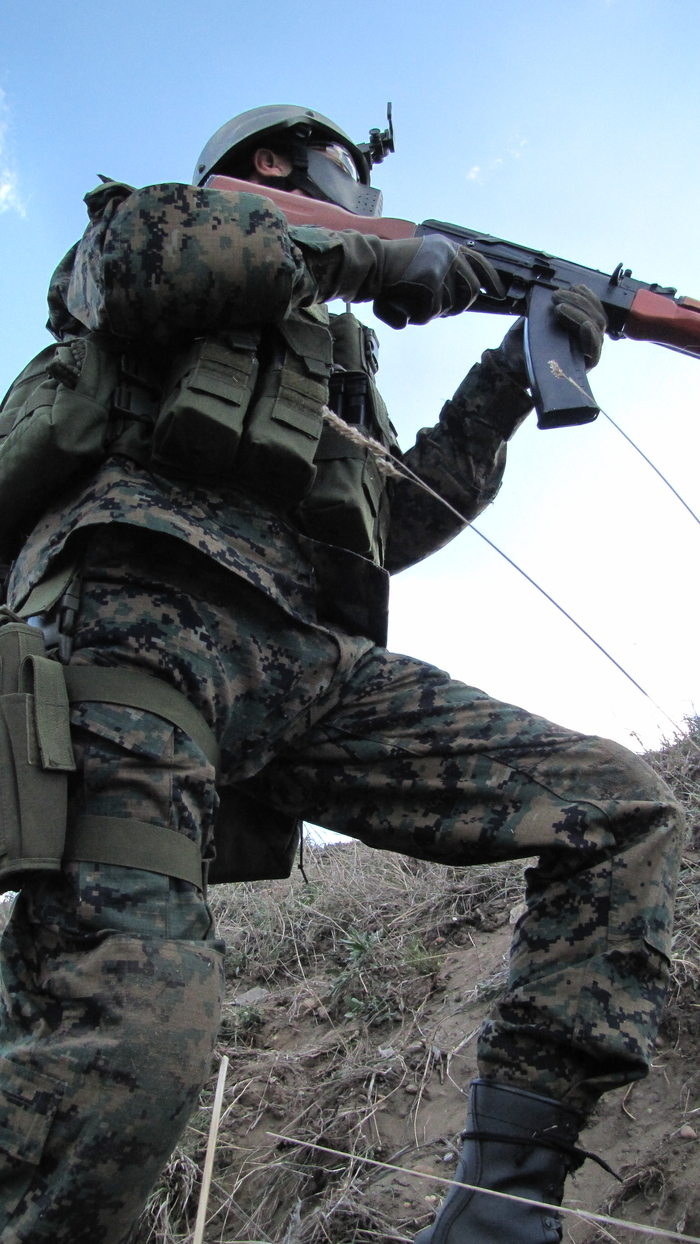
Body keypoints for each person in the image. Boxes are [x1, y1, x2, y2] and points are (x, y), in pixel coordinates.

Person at [0, 104, 683, 1244]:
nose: (365, 201)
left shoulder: (326, 355)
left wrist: (510, 377)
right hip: (135, 634)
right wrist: (376, 256)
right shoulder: (152, 227)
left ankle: (499, 1212)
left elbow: (391, 524)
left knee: (616, 808)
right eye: (346, 177)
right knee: (126, 1047)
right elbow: (144, 263)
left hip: (309, 664)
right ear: (275, 162)